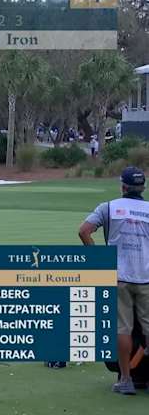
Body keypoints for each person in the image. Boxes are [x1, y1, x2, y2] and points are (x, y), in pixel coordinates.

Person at [79, 167, 149, 395]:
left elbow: (84, 231)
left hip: (117, 276)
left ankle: (126, 379)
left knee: (122, 328)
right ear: (143, 188)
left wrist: (100, 259)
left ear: (123, 186)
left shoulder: (108, 207)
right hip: (146, 277)